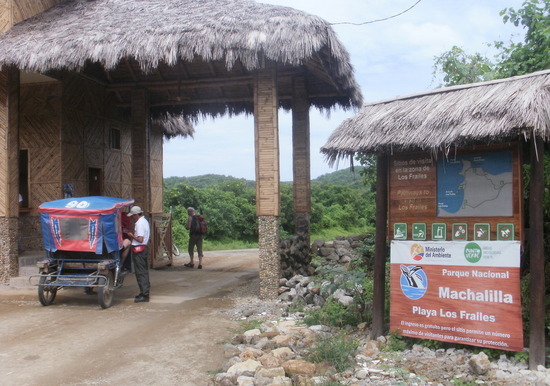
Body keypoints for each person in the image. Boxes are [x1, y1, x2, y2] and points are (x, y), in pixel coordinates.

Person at [127, 205, 150, 302]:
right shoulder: (144, 221)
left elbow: (140, 239)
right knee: (143, 271)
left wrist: (131, 235)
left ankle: (144, 294)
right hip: (143, 249)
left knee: (140, 272)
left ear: (136, 215)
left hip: (139, 250)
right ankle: (144, 292)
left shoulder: (139, 224)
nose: (132, 218)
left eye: (132, 216)